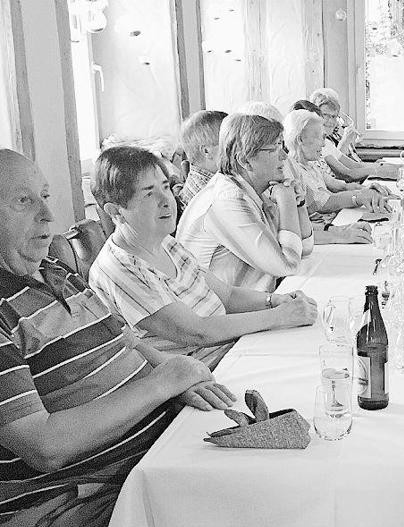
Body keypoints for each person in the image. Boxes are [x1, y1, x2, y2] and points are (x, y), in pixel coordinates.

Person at [0, 149, 274, 527]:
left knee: (274, 465)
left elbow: (130, 342)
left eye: (46, 196)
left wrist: (182, 378)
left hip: (149, 454)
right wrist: (162, 385)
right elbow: (45, 447)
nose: (49, 215)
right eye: (23, 202)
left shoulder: (56, 274)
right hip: (65, 504)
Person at [88, 145, 318, 369]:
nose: (166, 200)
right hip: (203, 371)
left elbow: (227, 296)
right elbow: (195, 331)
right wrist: (279, 316)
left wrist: (273, 301)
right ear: (115, 211)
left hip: (228, 349)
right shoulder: (121, 267)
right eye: (149, 194)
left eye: (166, 187)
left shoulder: (165, 241)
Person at [177, 113, 313, 292]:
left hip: (247, 305)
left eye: (281, 146)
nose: (284, 156)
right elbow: (288, 266)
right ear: (245, 160)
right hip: (220, 314)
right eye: (273, 149)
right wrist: (286, 202)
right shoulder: (228, 200)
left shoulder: (251, 189)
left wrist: (299, 204)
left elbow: (305, 249)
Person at [283, 108, 391, 245]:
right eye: (320, 138)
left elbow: (341, 186)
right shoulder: (291, 170)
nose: (323, 144)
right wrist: (358, 197)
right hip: (321, 238)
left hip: (335, 226)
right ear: (300, 139)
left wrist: (366, 190)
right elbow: (323, 203)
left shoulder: (311, 165)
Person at [309, 88, 398, 182]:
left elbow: (355, 166)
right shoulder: (316, 144)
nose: (331, 121)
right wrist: (377, 170)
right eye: (325, 115)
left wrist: (383, 167)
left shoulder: (327, 143)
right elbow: (347, 175)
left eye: (334, 116)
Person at [179, 110, 228, 210]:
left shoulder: (215, 183)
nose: (238, 149)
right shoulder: (213, 197)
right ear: (206, 151)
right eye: (228, 144)